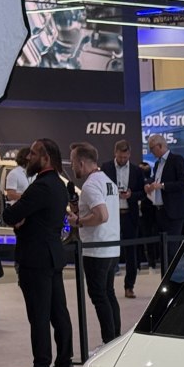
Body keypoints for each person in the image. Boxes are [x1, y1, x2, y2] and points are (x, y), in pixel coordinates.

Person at [3, 138, 74, 367]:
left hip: (35, 259)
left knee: (39, 314)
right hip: (52, 255)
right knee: (58, 313)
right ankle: (64, 362)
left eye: (33, 154)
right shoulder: (58, 185)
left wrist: (20, 221)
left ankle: (41, 365)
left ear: (45, 158)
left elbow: (10, 214)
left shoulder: (41, 186)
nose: (28, 158)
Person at [69, 142, 122, 345]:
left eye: (74, 163)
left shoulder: (91, 185)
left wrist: (79, 221)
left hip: (96, 249)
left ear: (82, 163)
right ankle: (114, 340)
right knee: (108, 293)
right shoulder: (108, 181)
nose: (73, 168)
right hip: (110, 246)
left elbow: (102, 215)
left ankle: (109, 341)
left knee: (99, 296)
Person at [101, 140, 145, 299]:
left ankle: (129, 286)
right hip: (111, 216)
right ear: (115, 153)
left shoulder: (136, 171)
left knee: (131, 253)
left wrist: (131, 195)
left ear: (129, 155)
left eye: (125, 157)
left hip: (130, 215)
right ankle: (108, 287)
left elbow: (143, 193)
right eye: (120, 157)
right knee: (110, 251)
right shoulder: (105, 168)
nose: (122, 160)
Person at [144, 134, 184, 269]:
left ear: (160, 146)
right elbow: (155, 178)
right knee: (163, 252)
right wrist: (148, 184)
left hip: (174, 212)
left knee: (172, 251)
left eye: (152, 148)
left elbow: (183, 183)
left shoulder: (177, 160)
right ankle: (165, 283)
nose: (151, 152)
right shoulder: (158, 164)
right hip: (160, 212)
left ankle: (174, 283)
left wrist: (162, 186)